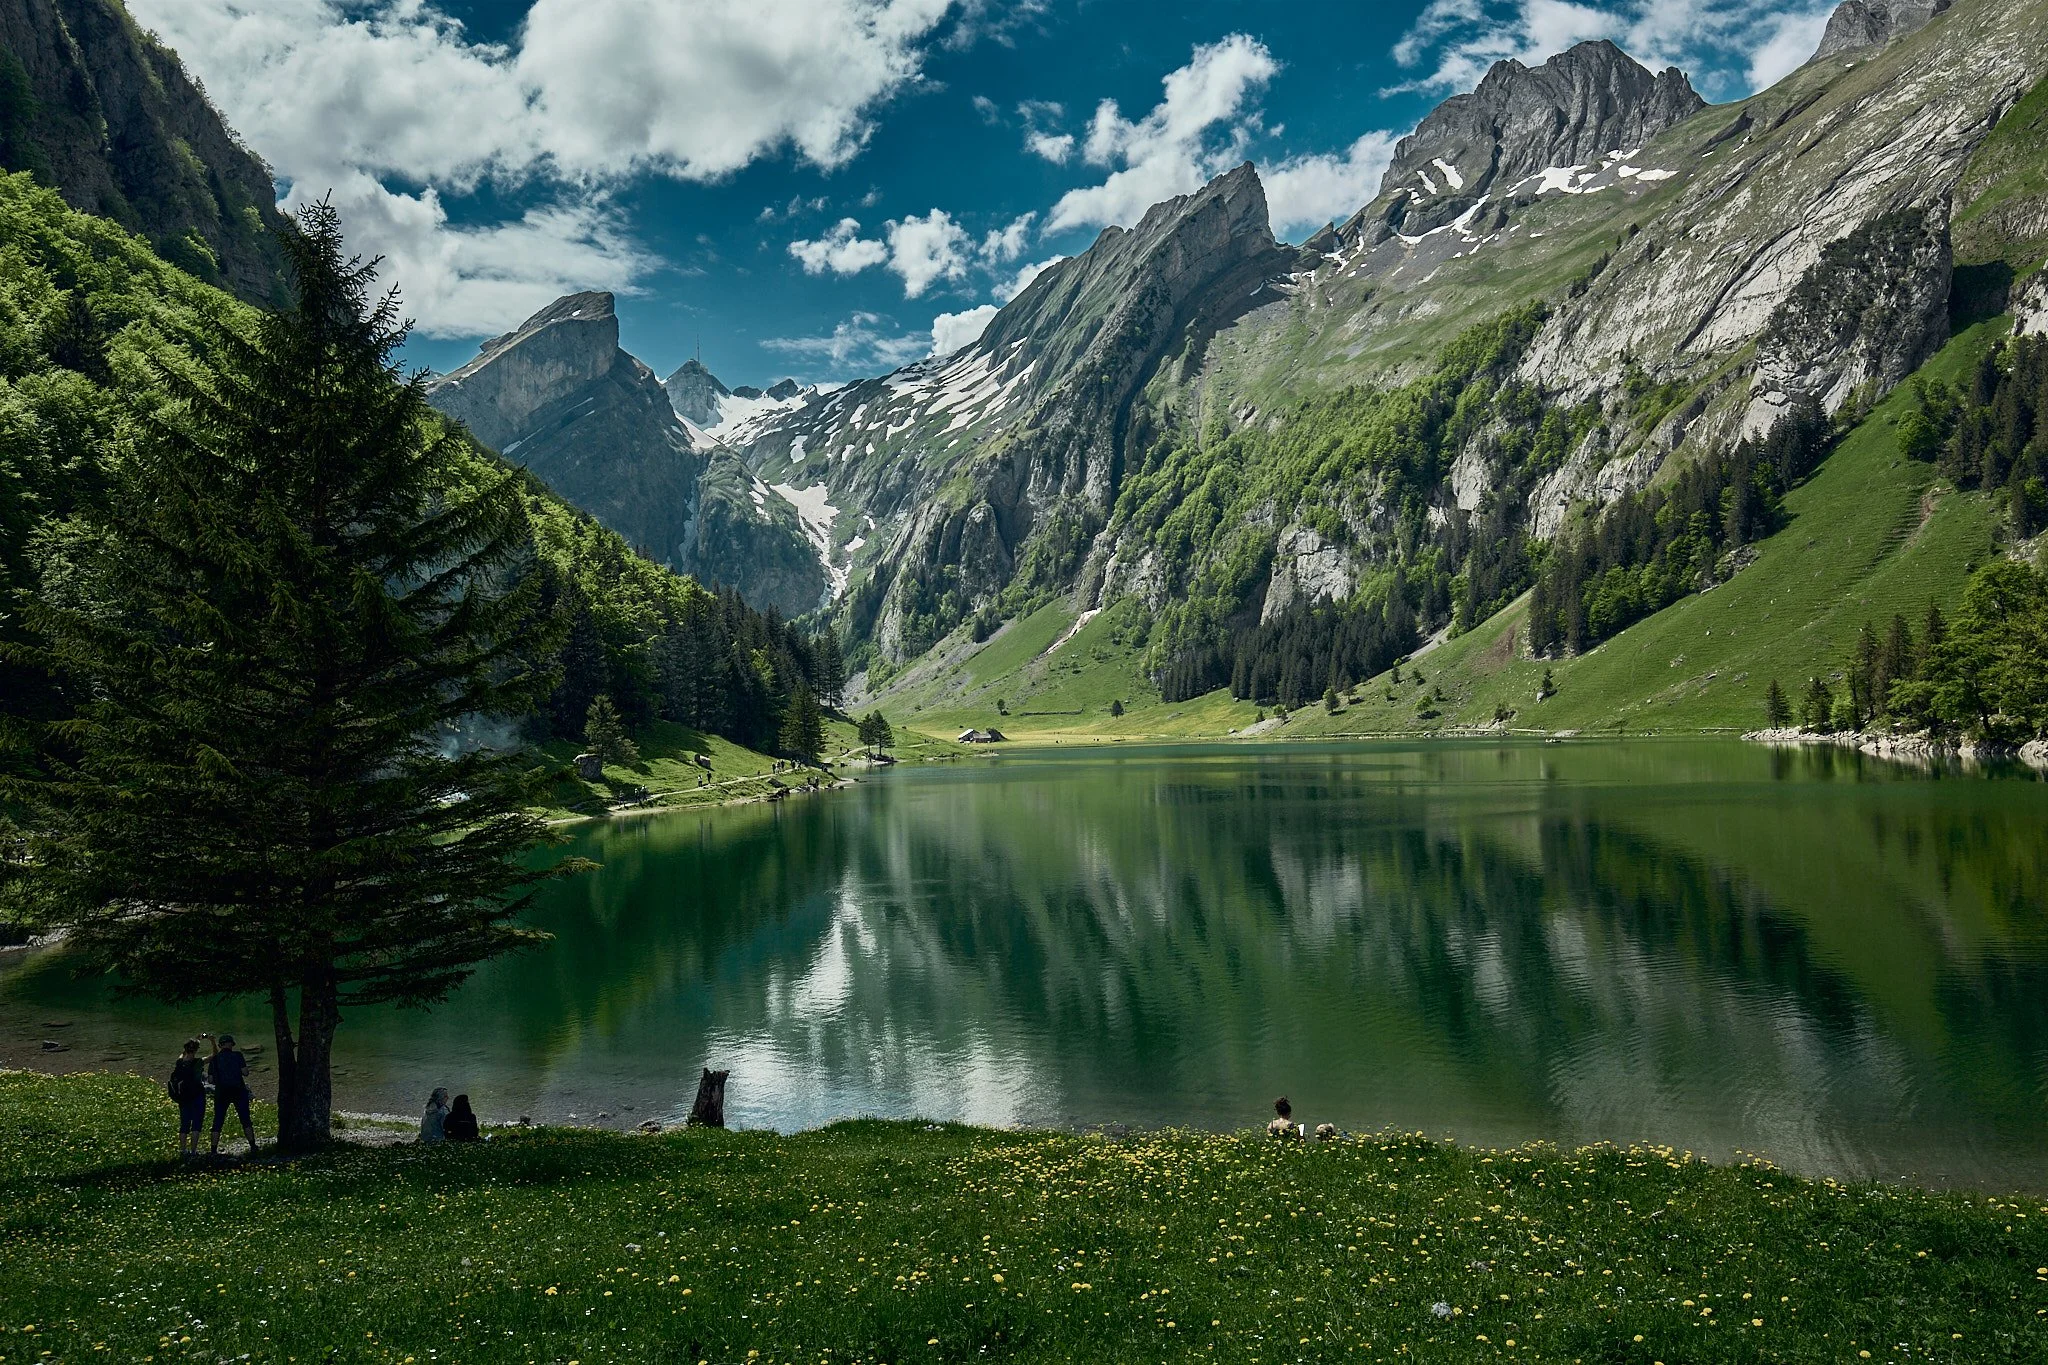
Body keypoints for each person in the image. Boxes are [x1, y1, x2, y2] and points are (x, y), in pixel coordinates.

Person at [207, 1034, 257, 1155]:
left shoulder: (215, 1059)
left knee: (218, 1120)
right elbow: (245, 1073)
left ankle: (213, 1150)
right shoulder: (237, 1055)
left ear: (220, 1045)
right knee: (245, 1119)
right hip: (238, 1090)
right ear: (231, 1045)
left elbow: (210, 1080)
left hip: (221, 1092)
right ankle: (252, 1146)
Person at [167, 1039, 207, 1159]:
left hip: (183, 1097)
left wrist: (193, 1041)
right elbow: (215, 1055)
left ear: (185, 1050)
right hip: (197, 1095)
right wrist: (212, 1042)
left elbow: (182, 1054)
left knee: (184, 1123)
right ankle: (193, 1151)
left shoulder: (179, 1062)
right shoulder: (199, 1062)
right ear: (195, 1050)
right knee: (196, 1123)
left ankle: (183, 1150)